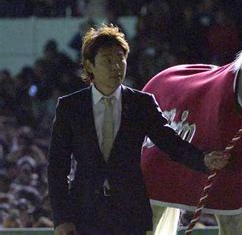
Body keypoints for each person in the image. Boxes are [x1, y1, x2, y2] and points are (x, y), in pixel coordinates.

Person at [47, 24, 229, 235]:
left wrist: (203, 160)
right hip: (84, 214)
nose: (116, 66)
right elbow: (57, 168)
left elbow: (170, 142)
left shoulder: (141, 104)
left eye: (120, 58)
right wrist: (62, 219)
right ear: (89, 66)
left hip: (132, 214)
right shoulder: (71, 107)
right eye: (107, 60)